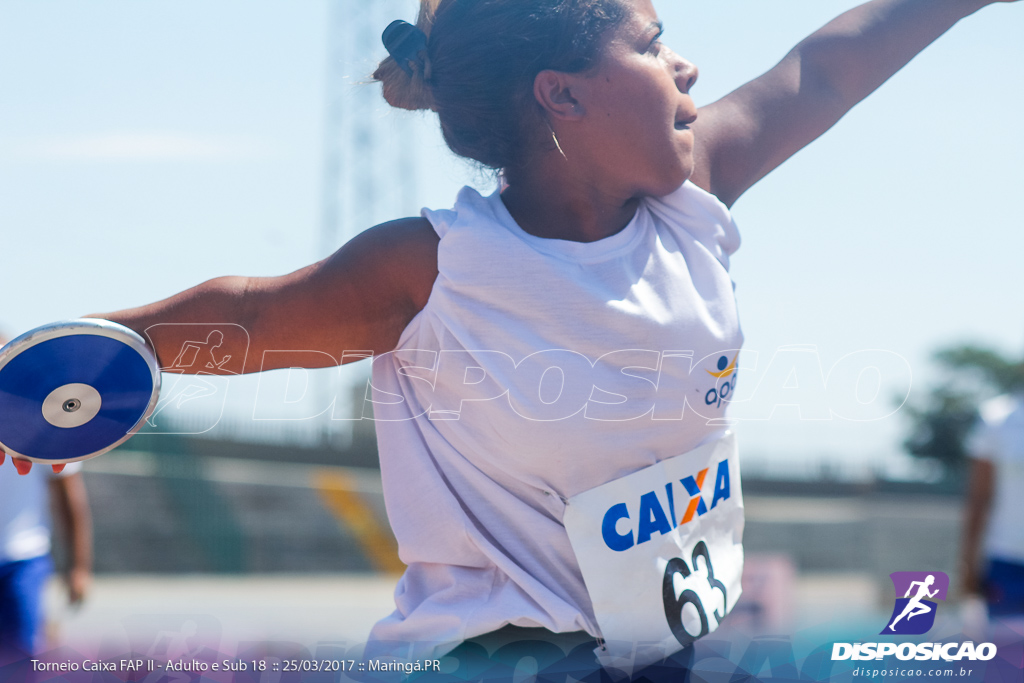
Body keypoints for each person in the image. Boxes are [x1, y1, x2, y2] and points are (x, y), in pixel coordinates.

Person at [3, 0, 1019, 672]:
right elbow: (256, 313)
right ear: (561, 92)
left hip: (663, 649)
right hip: (496, 656)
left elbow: (829, 71)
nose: (688, 62)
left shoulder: (688, 200)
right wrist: (50, 368)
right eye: (653, 40)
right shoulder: (436, 267)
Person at [0, 435, 92, 655]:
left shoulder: (44, 426)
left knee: (22, 654)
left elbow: (70, 497)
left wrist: (79, 568)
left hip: (22, 556)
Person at [962, 393, 1024, 619]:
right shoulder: (995, 417)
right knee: (1009, 653)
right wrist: (968, 562)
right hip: (1007, 561)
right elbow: (979, 497)